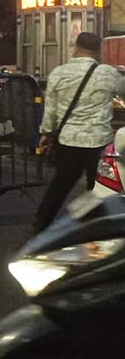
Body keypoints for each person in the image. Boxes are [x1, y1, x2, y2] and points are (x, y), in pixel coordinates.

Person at [34, 32, 125, 233]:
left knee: (61, 184)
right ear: (98, 51)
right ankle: (97, 228)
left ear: (76, 48)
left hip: (68, 141)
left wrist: (46, 133)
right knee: (98, 188)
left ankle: (41, 224)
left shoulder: (59, 73)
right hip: (99, 142)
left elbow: (51, 110)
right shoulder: (108, 73)